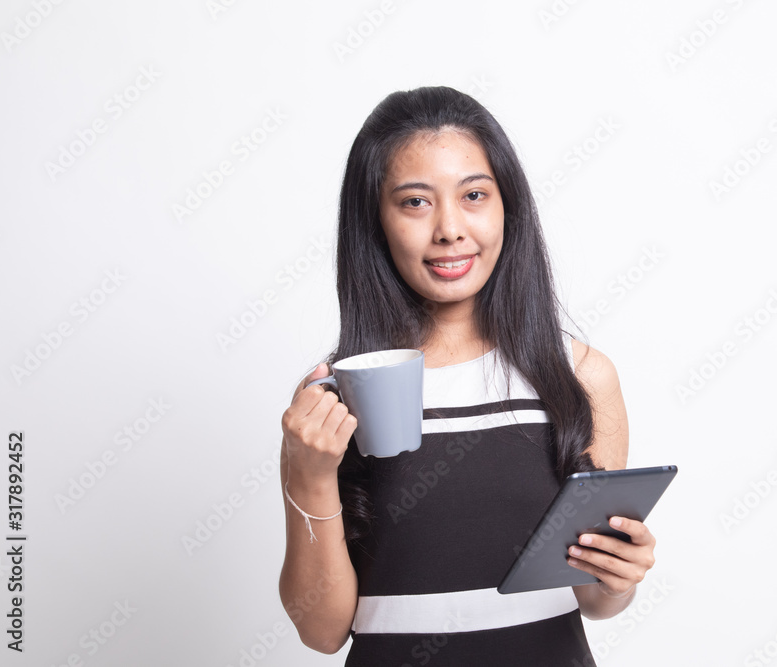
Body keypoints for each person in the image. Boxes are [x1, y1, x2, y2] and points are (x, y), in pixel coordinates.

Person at [278, 86, 658, 666]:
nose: (450, 229)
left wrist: (618, 578)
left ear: (508, 205)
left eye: (474, 194)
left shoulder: (579, 375)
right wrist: (308, 477)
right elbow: (322, 631)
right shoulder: (332, 399)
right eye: (414, 202)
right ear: (374, 221)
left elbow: (595, 600)